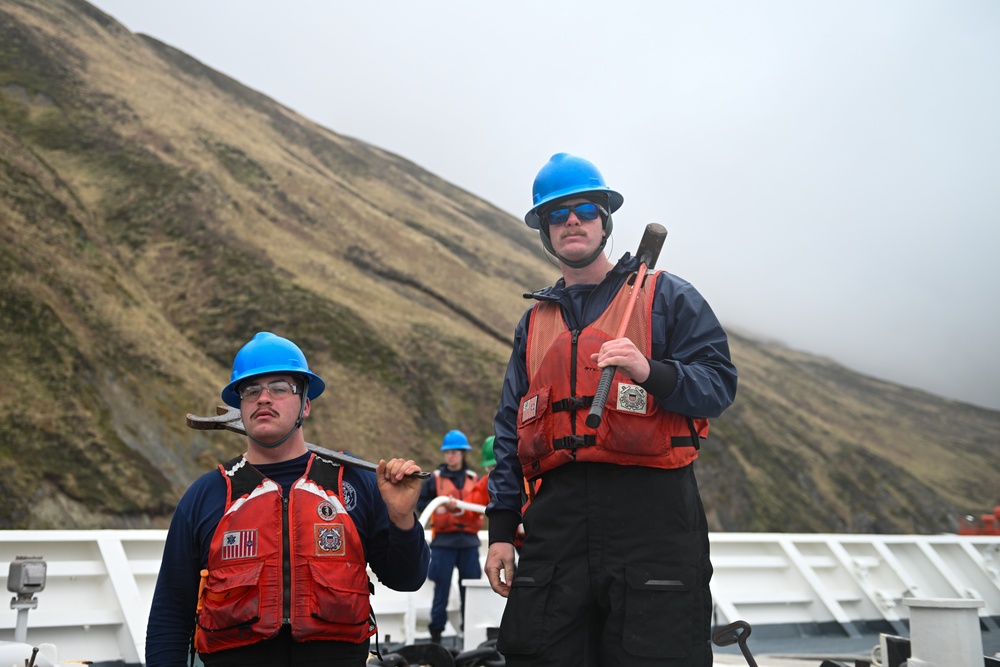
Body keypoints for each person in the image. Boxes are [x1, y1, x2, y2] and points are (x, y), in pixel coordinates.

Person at [483, 153, 738, 667]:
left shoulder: (667, 297)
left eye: (583, 209)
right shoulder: (532, 325)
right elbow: (511, 431)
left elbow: (718, 386)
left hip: (653, 519)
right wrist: (501, 532)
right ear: (545, 231)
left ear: (605, 221)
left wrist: (651, 372)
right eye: (557, 214)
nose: (571, 221)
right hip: (557, 524)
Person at [146, 332, 430, 667]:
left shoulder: (355, 484)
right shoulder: (206, 495)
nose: (263, 398)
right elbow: (170, 613)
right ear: (240, 407)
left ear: (305, 404)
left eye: (279, 388)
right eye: (251, 391)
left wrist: (402, 519)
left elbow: (407, 579)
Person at [416, 429, 484, 644]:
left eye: (455, 452)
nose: (451, 456)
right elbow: (421, 505)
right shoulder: (434, 480)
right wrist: (441, 508)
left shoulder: (475, 479)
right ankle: (436, 635)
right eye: (448, 452)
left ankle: (470, 634)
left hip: (469, 543)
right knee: (441, 589)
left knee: (470, 590)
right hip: (444, 542)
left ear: (463, 454)